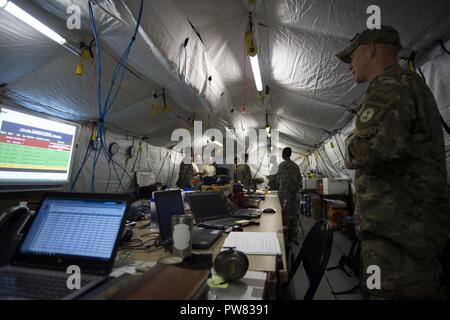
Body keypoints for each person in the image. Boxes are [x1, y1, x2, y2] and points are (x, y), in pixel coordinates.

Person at [336, 25, 449, 299]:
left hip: (397, 243)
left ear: (371, 48)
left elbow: (362, 150)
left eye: (352, 56)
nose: (350, 64)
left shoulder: (391, 86)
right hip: (406, 236)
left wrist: (352, 140)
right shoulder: (406, 82)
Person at [277, 147, 302, 240]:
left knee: (285, 213)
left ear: (283, 154)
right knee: (293, 212)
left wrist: (290, 189)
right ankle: (293, 232)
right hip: (294, 194)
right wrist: (295, 190)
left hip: (285, 194)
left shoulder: (282, 165)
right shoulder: (295, 165)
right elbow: (300, 179)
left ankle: (285, 234)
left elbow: (282, 180)